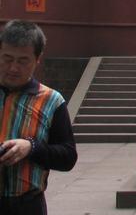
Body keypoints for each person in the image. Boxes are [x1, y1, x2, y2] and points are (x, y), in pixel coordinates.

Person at [0, 20, 78, 214]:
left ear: (37, 59)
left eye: (23, 61)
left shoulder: (51, 101)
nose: (13, 68)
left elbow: (68, 157)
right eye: (7, 59)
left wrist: (31, 147)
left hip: (28, 205)